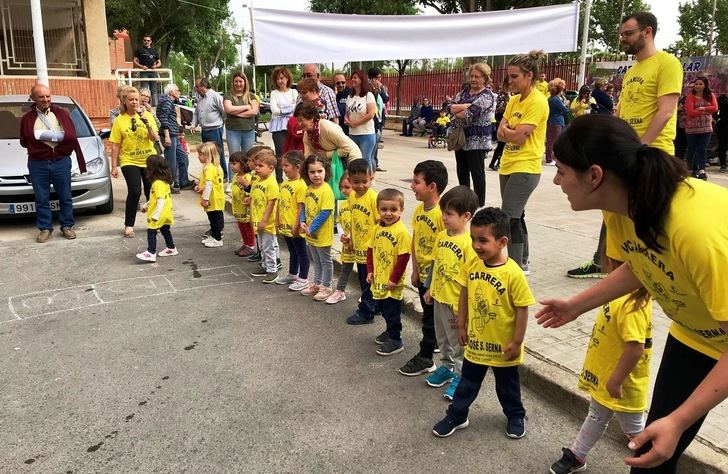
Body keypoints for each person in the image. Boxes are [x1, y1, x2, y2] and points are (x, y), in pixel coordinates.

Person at [538, 113, 728, 472]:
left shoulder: (694, 231)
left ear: (594, 175)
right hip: (696, 333)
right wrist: (576, 305)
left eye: (561, 170)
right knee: (651, 455)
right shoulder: (620, 207)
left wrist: (678, 420)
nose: (557, 180)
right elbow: (644, 264)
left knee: (667, 430)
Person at [567, 11, 683, 279]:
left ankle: (658, 273)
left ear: (647, 31)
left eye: (628, 33)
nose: (623, 39)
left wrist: (640, 147)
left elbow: (666, 112)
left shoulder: (667, 63)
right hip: (627, 153)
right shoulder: (632, 72)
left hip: (652, 153)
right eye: (621, 34)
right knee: (615, 213)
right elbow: (621, 113)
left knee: (648, 217)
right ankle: (611, 266)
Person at [432, 207, 535, 439]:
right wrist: (461, 324)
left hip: (503, 347)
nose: (476, 245)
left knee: (507, 387)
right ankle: (457, 414)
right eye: (473, 239)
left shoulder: (513, 274)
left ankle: (516, 415)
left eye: (482, 240)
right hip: (476, 344)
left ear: (502, 241)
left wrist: (517, 341)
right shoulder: (473, 265)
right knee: (467, 383)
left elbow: (522, 309)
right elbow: (464, 292)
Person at [549, 257, 652, 474]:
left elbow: (636, 347)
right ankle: (577, 455)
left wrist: (615, 381)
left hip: (623, 386)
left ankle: (655, 465)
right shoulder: (616, 294)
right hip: (606, 379)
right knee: (596, 416)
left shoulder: (630, 304)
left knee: (636, 433)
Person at [423, 186, 480, 400]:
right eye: (443, 212)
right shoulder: (440, 236)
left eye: (449, 214)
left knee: (457, 342)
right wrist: (429, 287)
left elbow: (471, 280)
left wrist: (464, 311)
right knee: (442, 337)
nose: (443, 217)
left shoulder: (470, 244)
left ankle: (461, 375)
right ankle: (446, 367)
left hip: (457, 303)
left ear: (466, 216)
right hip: (439, 297)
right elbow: (436, 263)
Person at [496, 50, 549, 274]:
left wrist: (510, 131)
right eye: (509, 76)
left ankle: (515, 269)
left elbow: (518, 136)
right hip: (507, 163)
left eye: (515, 76)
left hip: (526, 167)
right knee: (517, 215)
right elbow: (499, 133)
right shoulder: (514, 101)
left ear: (529, 76)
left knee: (509, 218)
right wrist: (511, 132)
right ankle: (524, 260)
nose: (510, 81)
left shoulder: (538, 102)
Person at [398, 160, 448, 377]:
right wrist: (416, 270)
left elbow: (444, 250)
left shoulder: (442, 215)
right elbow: (416, 240)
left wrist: (432, 282)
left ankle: (426, 357)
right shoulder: (419, 210)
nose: (412, 186)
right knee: (430, 315)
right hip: (424, 274)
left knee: (429, 319)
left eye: (416, 182)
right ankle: (434, 342)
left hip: (437, 278)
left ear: (432, 187)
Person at [19, 83, 86, 243]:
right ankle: (45, 228)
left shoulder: (62, 114)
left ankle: (67, 226)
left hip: (61, 161)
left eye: (48, 96)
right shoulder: (27, 119)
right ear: (33, 98)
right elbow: (23, 141)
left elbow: (71, 135)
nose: (45, 99)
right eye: (41, 96)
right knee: (41, 198)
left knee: (65, 196)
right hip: (38, 163)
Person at [109, 86, 160, 238]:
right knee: (135, 191)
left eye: (136, 99)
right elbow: (115, 144)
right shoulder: (119, 120)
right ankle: (129, 225)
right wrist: (114, 166)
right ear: (124, 101)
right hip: (129, 160)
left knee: (151, 191)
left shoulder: (147, 116)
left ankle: (153, 222)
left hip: (149, 159)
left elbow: (155, 138)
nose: (134, 102)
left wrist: (147, 123)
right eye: (131, 99)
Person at [368, 188, 412, 356]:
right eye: (384, 209)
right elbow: (370, 251)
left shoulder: (401, 233)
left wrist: (394, 279)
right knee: (382, 308)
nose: (388, 213)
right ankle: (389, 330)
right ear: (378, 209)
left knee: (392, 311)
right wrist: (370, 271)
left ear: (401, 210)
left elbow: (403, 259)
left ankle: (395, 339)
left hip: (392, 282)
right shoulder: (376, 228)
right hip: (378, 279)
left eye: (393, 209)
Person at [450, 63, 497, 207]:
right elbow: (449, 108)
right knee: (461, 170)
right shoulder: (463, 93)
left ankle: (478, 202)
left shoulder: (487, 96)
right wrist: (464, 106)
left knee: (477, 173)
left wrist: (458, 109)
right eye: (471, 76)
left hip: (478, 141)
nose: (473, 79)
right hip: (461, 139)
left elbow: (471, 114)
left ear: (485, 78)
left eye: (477, 76)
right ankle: (465, 200)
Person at [344, 159, 380, 324]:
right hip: (358, 246)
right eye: (356, 182)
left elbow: (381, 223)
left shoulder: (373, 198)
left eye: (364, 181)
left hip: (371, 249)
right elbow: (352, 219)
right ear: (349, 180)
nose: (360, 186)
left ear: (371, 178)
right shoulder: (352, 196)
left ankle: (366, 312)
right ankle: (374, 306)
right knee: (363, 279)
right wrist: (351, 239)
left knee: (367, 281)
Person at [299, 154, 336, 301]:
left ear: (326, 171)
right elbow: (304, 207)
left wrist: (311, 227)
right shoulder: (308, 189)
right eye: (312, 172)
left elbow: (325, 212)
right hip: (310, 233)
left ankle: (326, 286)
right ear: (306, 173)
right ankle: (317, 283)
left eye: (319, 171)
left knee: (325, 261)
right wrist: (302, 221)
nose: (316, 175)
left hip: (322, 233)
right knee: (316, 260)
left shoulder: (326, 190)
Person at [275, 150, 309, 288]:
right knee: (292, 251)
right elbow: (280, 203)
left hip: (295, 227)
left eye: (286, 166)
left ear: (298, 166)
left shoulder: (301, 186)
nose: (283, 169)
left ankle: (303, 278)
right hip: (285, 225)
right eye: (282, 166)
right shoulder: (285, 183)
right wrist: (277, 220)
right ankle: (292, 274)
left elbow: (301, 209)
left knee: (301, 252)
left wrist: (296, 226)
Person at [136, 155, 178, 263]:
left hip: (159, 212)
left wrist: (156, 214)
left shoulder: (157, 184)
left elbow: (160, 200)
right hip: (167, 212)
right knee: (165, 229)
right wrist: (147, 205)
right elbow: (156, 198)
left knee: (151, 231)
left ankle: (151, 252)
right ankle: (171, 248)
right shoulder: (164, 181)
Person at [249, 149, 280, 283]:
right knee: (261, 245)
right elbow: (254, 197)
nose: (256, 168)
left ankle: (272, 270)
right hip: (256, 217)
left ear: (271, 168)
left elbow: (271, 203)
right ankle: (264, 265)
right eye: (256, 165)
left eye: (260, 166)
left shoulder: (271, 183)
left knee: (268, 246)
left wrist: (264, 220)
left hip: (266, 222)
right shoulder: (257, 180)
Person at [296, 102, 362, 163]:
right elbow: (308, 154)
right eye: (297, 121)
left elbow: (347, 147)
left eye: (301, 120)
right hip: (334, 161)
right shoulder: (307, 134)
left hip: (350, 158)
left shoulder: (327, 127)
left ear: (311, 118)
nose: (299, 124)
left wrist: (326, 154)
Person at [157, 83, 192, 193]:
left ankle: (183, 181)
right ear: (171, 92)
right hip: (169, 135)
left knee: (183, 158)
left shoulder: (169, 102)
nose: (179, 92)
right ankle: (168, 184)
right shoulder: (167, 102)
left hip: (174, 135)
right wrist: (167, 136)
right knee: (171, 162)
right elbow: (164, 119)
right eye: (177, 90)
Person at [192, 78, 228, 182]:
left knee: (217, 153)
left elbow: (224, 111)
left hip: (215, 129)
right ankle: (210, 173)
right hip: (205, 130)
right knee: (207, 153)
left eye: (197, 86)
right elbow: (196, 113)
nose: (196, 88)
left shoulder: (215, 96)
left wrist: (221, 123)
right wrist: (193, 125)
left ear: (203, 86)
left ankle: (223, 174)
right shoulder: (200, 98)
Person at [327, 172, 355, 304]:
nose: (344, 190)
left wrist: (350, 236)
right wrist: (342, 235)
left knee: (364, 271)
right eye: (342, 187)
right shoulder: (342, 204)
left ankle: (368, 295)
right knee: (345, 267)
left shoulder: (359, 203)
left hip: (360, 243)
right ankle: (340, 290)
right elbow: (338, 221)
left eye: (347, 187)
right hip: (346, 243)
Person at [684, 76, 717, 180]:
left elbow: (715, 108)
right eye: (696, 84)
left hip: (706, 128)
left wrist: (703, 108)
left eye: (700, 84)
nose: (698, 86)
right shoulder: (690, 97)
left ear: (705, 85)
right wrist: (707, 111)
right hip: (692, 129)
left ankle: (702, 171)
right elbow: (690, 112)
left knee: (702, 149)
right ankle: (689, 170)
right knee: (691, 150)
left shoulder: (710, 95)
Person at [270, 67, 299, 182]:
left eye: (282, 78)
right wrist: (290, 107)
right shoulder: (274, 93)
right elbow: (274, 110)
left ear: (287, 79)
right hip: (278, 128)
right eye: (277, 79)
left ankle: (295, 178)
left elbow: (297, 107)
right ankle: (279, 181)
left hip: (293, 126)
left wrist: (281, 108)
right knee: (280, 155)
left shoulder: (294, 92)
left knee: (294, 154)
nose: (280, 81)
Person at [345, 70, 377, 172]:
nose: (353, 80)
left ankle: (369, 180)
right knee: (353, 158)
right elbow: (347, 112)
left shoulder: (368, 95)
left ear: (361, 79)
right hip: (352, 133)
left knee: (365, 159)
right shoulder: (350, 97)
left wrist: (355, 123)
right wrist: (347, 120)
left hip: (366, 133)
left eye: (355, 77)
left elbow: (371, 114)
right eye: (352, 78)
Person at [195, 142, 225, 248]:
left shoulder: (209, 168)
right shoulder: (214, 167)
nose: (198, 157)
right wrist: (200, 187)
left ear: (208, 155)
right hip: (216, 196)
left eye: (201, 154)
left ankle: (217, 239)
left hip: (213, 197)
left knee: (214, 219)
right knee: (214, 218)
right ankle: (214, 236)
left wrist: (205, 199)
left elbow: (209, 184)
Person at [223, 71, 259, 160]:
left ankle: (246, 174)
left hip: (249, 131)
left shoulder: (251, 96)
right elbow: (228, 109)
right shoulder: (228, 95)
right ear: (233, 82)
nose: (238, 84)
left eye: (240, 81)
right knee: (234, 158)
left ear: (245, 82)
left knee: (247, 158)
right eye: (236, 81)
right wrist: (246, 107)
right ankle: (232, 174)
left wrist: (235, 113)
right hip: (233, 131)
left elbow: (254, 111)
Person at [229, 151, 255, 257]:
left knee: (248, 227)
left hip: (246, 209)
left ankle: (251, 246)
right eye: (231, 163)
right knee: (241, 227)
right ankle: (245, 243)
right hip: (238, 207)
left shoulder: (247, 177)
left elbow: (251, 191)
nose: (231, 166)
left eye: (234, 163)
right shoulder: (235, 176)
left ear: (243, 164)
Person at [368, 67, 389, 172]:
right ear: (371, 78)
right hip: (372, 121)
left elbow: (386, 99)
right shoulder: (368, 89)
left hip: (379, 120)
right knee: (371, 148)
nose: (379, 80)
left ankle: (375, 163)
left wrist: (380, 90)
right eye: (377, 78)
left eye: (380, 77)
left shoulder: (379, 89)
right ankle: (372, 166)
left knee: (376, 146)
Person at [489, 77, 511, 171]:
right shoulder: (503, 96)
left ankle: (498, 162)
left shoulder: (511, 95)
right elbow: (499, 111)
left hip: (508, 122)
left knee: (503, 145)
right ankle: (495, 163)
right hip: (502, 122)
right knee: (501, 144)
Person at [133, 35, 161, 105]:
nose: (146, 42)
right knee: (144, 90)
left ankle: (155, 105)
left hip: (153, 72)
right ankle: (144, 105)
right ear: (143, 41)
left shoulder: (154, 51)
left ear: (151, 42)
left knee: (154, 90)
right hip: (144, 72)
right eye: (145, 40)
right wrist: (141, 66)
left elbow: (159, 62)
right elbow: (134, 61)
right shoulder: (139, 50)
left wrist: (155, 66)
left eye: (148, 40)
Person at [546, 80, 569, 165]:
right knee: (552, 140)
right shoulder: (555, 100)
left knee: (553, 140)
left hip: (555, 121)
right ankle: (549, 158)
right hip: (556, 121)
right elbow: (564, 110)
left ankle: (551, 157)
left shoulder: (552, 99)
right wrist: (566, 104)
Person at [717, 92, 728, 172]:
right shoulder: (721, 98)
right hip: (722, 125)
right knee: (722, 145)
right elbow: (715, 109)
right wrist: (717, 118)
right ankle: (723, 164)